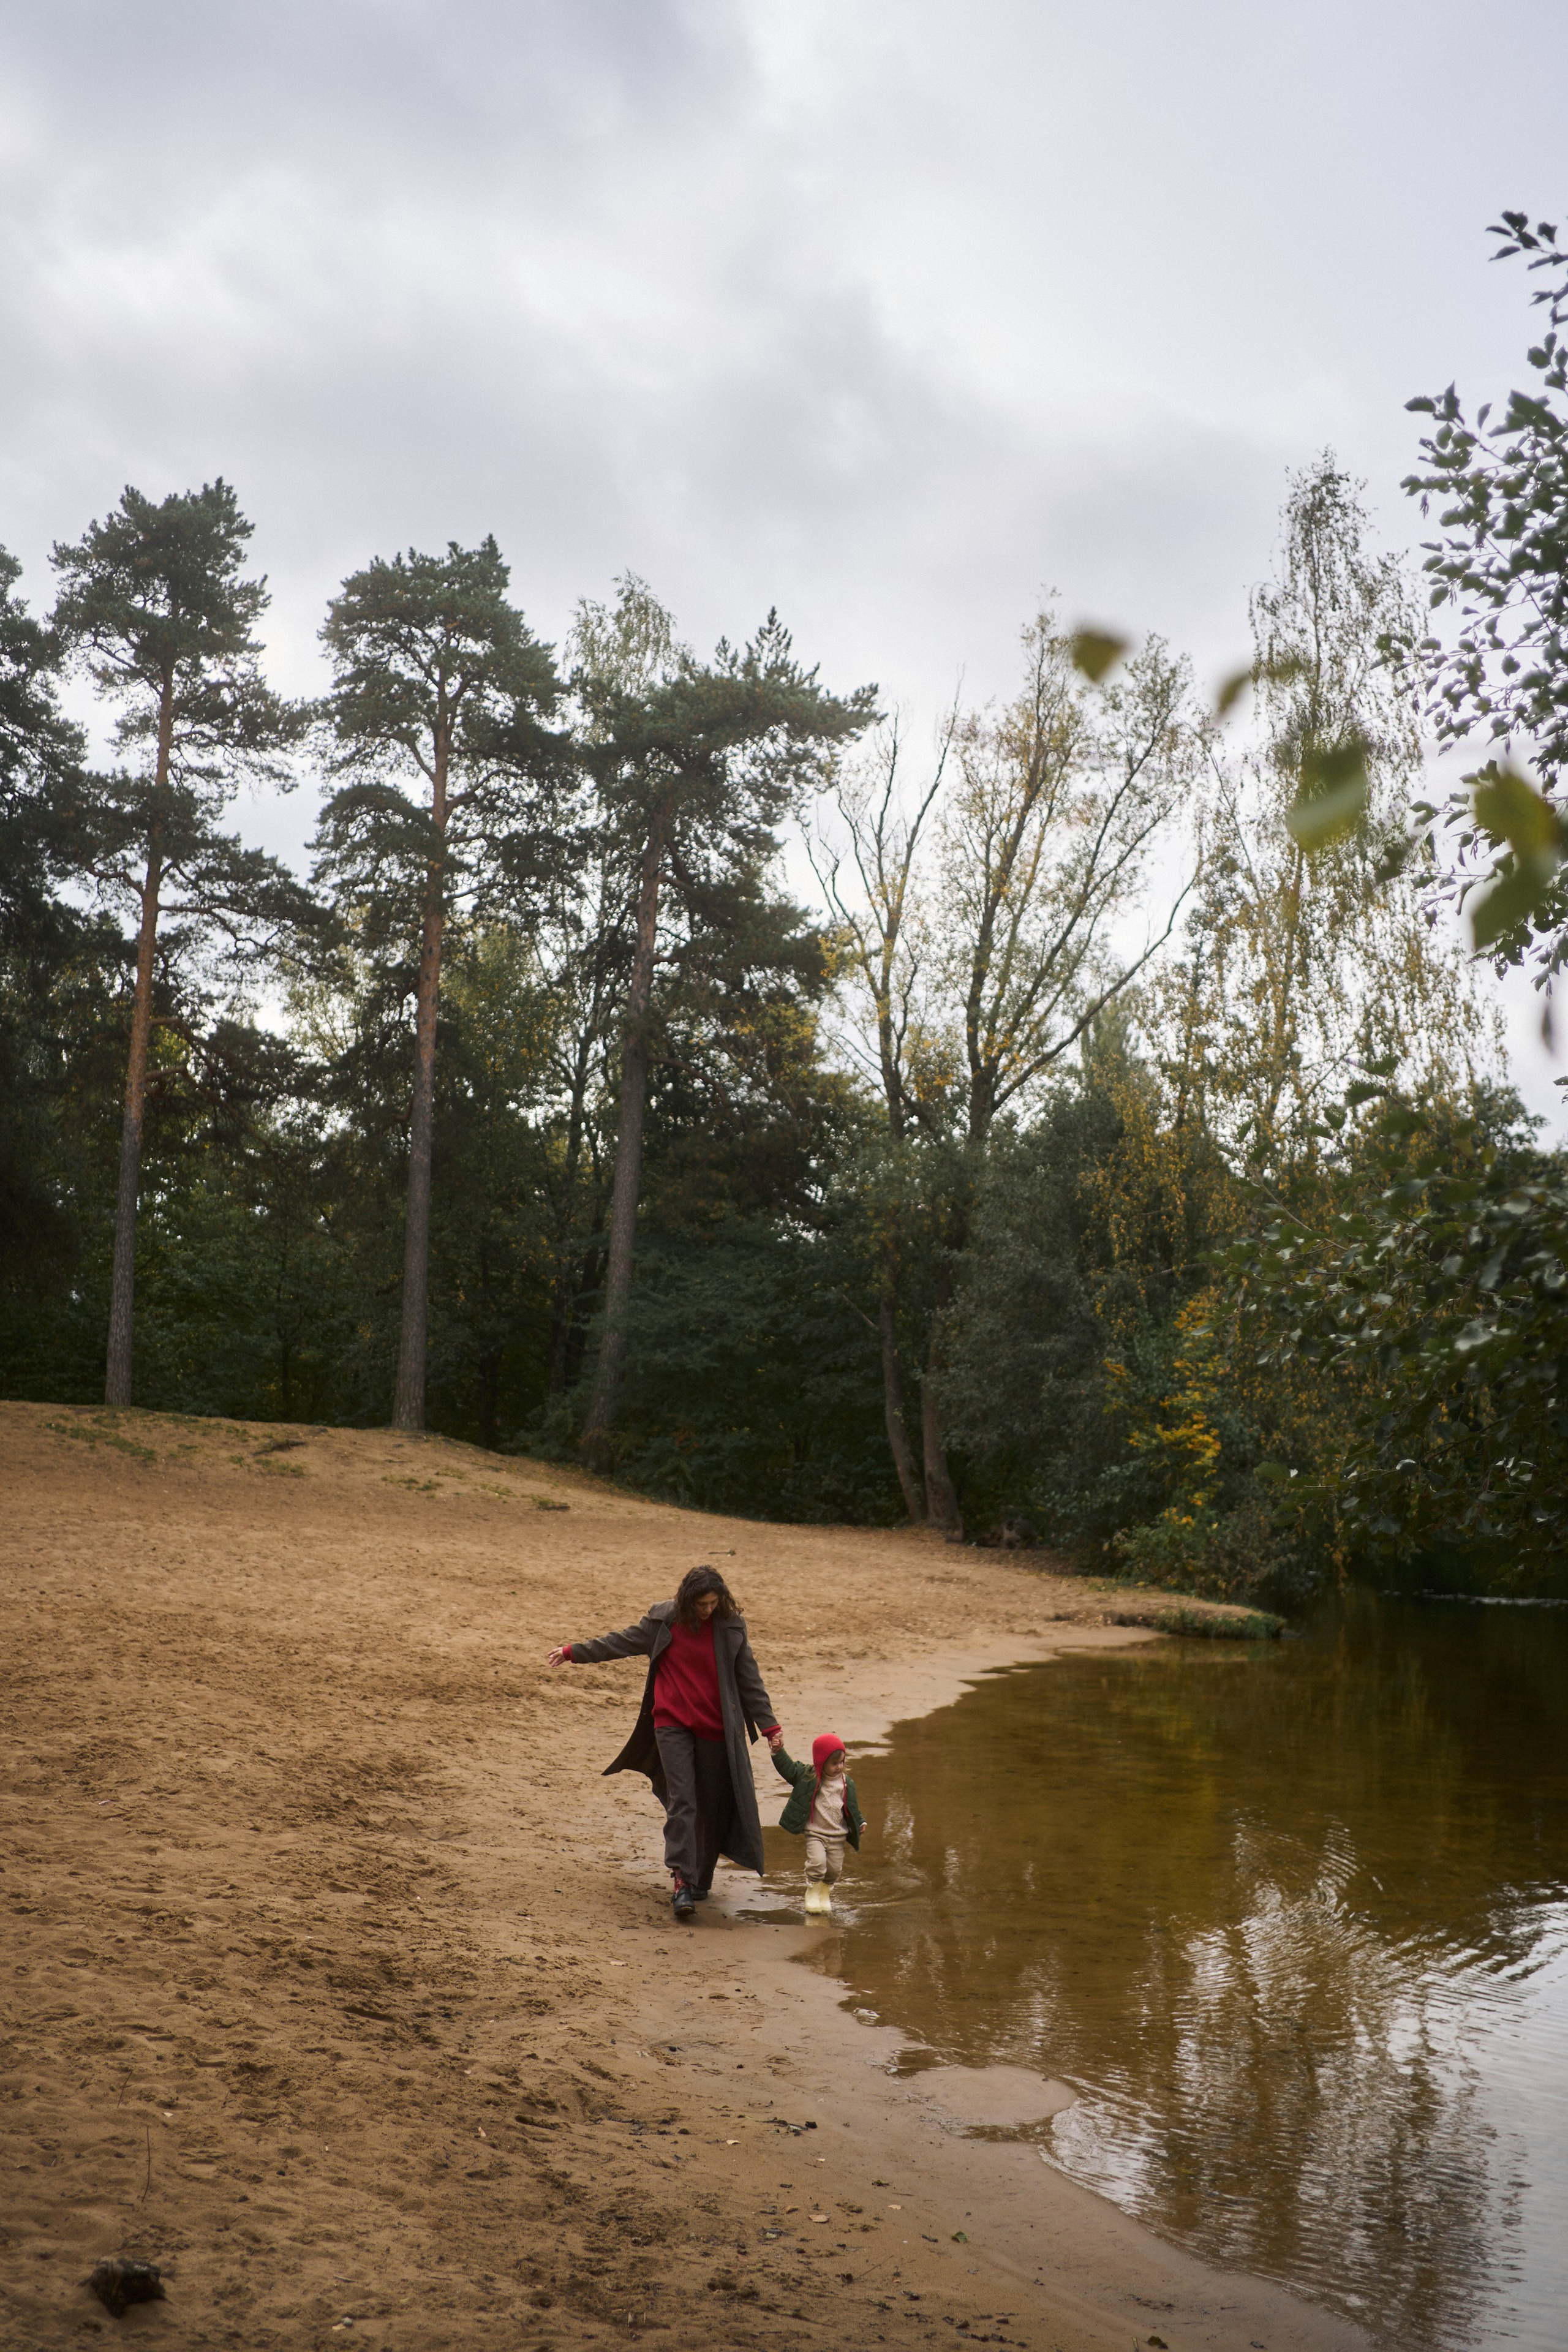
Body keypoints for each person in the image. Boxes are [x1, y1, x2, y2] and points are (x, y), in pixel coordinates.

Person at [547, 1566, 783, 1922]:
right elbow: (620, 1642)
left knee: (712, 1806)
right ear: (687, 1601)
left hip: (717, 1731)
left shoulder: (729, 1626)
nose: (707, 1610)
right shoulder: (664, 1622)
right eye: (702, 1604)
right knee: (683, 1800)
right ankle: (682, 1882)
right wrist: (573, 1652)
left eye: (713, 1603)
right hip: (671, 1725)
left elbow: (750, 1680)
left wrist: (770, 1727)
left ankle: (700, 1877)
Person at [771, 1733, 864, 1915]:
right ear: (822, 1762)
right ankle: (812, 1892)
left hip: (838, 1835)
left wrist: (861, 1821)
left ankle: (825, 1893)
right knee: (818, 1863)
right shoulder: (808, 1776)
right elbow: (788, 1768)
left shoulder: (847, 1783)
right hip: (816, 1833)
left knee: (834, 1871)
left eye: (842, 1762)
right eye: (834, 1763)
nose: (839, 1767)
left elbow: (852, 1807)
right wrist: (778, 1751)